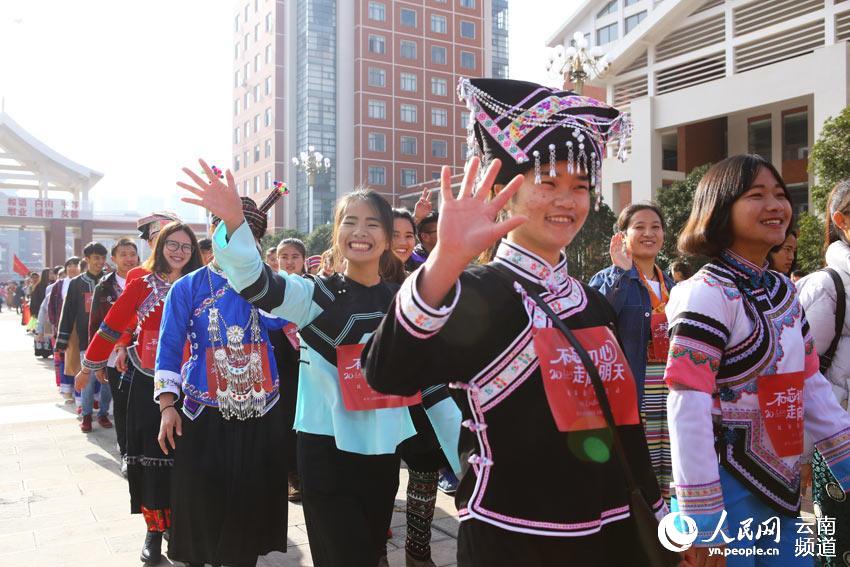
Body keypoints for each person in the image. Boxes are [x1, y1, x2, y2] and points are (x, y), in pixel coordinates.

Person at [363, 78, 663, 566]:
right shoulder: (477, 291)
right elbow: (385, 372)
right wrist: (443, 262)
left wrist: (662, 514)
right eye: (548, 183)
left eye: (580, 187)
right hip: (514, 539)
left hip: (613, 535)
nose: (567, 200)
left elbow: (624, 427)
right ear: (504, 193)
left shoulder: (592, 304)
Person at [179, 159, 415, 567]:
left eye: (372, 223)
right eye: (350, 222)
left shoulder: (403, 298)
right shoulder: (311, 294)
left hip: (384, 443)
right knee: (340, 555)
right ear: (336, 232)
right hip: (325, 445)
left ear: (389, 235)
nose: (360, 232)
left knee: (372, 547)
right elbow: (254, 281)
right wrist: (235, 223)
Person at [664, 155, 850, 565]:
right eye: (757, 195)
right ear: (719, 209)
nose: (775, 205)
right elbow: (686, 407)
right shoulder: (705, 294)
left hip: (782, 488)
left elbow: (811, 385)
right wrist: (703, 520)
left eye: (780, 195)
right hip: (722, 489)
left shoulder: (784, 292)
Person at [155, 193, 289, 567]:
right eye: (228, 232)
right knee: (204, 500)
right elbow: (168, 347)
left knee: (251, 500)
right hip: (202, 408)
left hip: (262, 405)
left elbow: (292, 321)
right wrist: (168, 405)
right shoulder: (188, 287)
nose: (236, 242)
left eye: (245, 236)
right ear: (215, 233)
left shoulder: (269, 284)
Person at [79, 222, 201, 565]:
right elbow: (113, 323)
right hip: (148, 379)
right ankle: (154, 531)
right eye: (172, 245)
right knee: (152, 458)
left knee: (187, 458)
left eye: (186, 247)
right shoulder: (140, 281)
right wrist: (89, 366)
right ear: (159, 246)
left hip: (194, 382)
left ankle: (184, 529)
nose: (179, 252)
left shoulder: (199, 283)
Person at [389, 206, 462, 567]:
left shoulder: (422, 277)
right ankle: (375, 551)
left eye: (408, 235)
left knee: (423, 472)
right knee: (382, 479)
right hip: (377, 400)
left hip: (425, 396)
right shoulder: (360, 280)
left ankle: (419, 552)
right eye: (395, 234)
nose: (403, 242)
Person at [589, 203, 675, 504]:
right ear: (622, 236)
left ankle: (668, 534)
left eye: (655, 226)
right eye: (639, 227)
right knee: (639, 464)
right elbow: (597, 323)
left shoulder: (673, 285)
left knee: (671, 464)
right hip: (635, 385)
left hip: (671, 384)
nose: (649, 233)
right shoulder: (608, 279)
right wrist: (621, 274)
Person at [796, 179, 850, 566]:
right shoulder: (827, 286)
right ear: (841, 219)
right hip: (839, 448)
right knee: (836, 550)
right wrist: (799, 458)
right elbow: (799, 376)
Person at [88, 237, 139, 475]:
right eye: (124, 254)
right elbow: (96, 325)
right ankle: (126, 452)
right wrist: (96, 360)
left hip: (143, 353)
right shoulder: (104, 287)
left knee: (143, 402)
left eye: (132, 254)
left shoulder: (147, 280)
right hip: (112, 357)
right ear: (114, 258)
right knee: (121, 404)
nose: (129, 258)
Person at [59, 242, 110, 433]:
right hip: (85, 339)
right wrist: (62, 340)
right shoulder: (76, 284)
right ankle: (87, 415)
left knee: (107, 381)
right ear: (87, 259)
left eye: (103, 258)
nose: (100, 262)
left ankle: (103, 413)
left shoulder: (108, 281)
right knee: (87, 380)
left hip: (109, 339)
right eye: (96, 258)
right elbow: (68, 313)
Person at [274, 236, 307, 500]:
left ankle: (307, 469)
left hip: (308, 364)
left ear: (304, 260)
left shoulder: (313, 287)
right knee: (286, 419)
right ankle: (291, 474)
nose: (289, 261)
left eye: (295, 256)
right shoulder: (270, 288)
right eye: (284, 256)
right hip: (279, 365)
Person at [47, 258, 80, 401]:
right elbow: (51, 307)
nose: (72, 268)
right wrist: (56, 325)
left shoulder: (82, 282)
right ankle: (67, 391)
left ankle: (80, 393)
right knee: (64, 358)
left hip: (80, 329)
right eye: (70, 266)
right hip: (63, 328)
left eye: (75, 266)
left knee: (79, 360)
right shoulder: (59, 285)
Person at [30, 268, 52, 357]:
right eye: (49, 273)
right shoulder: (42, 286)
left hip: (45, 312)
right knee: (44, 331)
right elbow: (35, 300)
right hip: (44, 312)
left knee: (45, 331)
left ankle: (45, 350)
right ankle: (45, 351)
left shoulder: (50, 285)